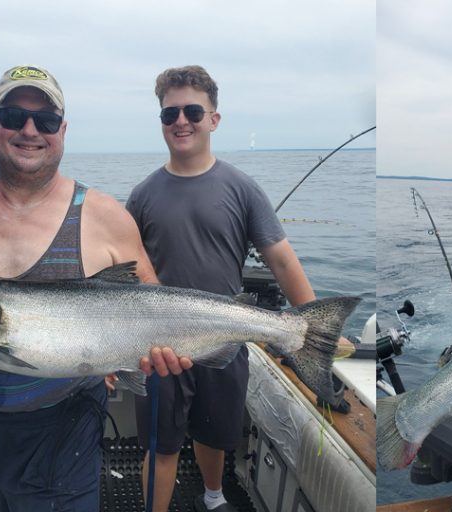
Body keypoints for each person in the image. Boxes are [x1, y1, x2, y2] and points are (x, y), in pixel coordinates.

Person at [0, 64, 190, 511]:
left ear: (61, 130)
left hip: (65, 435)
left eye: (44, 121)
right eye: (12, 116)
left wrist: (154, 352)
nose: (29, 130)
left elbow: (152, 306)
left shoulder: (105, 217)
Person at [126, 65, 333, 512]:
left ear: (214, 119)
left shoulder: (242, 189)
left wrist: (312, 322)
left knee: (215, 430)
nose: (181, 121)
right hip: (159, 346)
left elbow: (280, 257)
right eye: (169, 114)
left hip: (225, 332)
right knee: (160, 444)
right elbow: (127, 269)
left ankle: (214, 497)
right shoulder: (143, 195)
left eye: (192, 111)